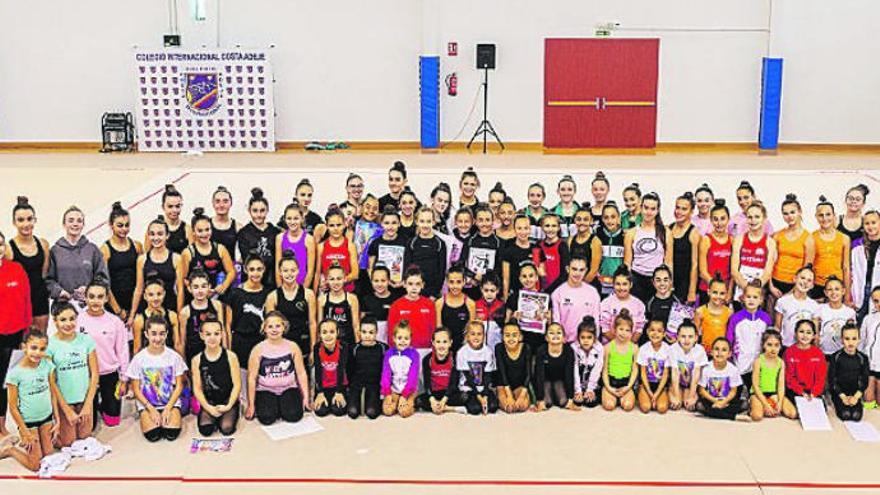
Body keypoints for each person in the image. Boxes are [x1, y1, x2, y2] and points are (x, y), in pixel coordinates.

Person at [1, 328, 59, 471]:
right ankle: (11, 451)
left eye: (42, 349)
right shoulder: (14, 374)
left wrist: (56, 420)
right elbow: (13, 406)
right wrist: (25, 431)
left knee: (49, 455)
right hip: (28, 423)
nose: (38, 353)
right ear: (23, 347)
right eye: (34, 348)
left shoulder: (47, 366)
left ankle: (36, 440)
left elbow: (53, 393)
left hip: (46, 418)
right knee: (35, 465)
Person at [127, 315, 187, 442]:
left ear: (166, 334)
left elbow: (179, 386)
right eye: (153, 334)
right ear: (146, 334)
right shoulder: (139, 359)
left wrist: (168, 408)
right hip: (148, 404)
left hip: (169, 402)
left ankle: (169, 412)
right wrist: (151, 409)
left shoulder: (174, 357)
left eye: (162, 334)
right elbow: (136, 389)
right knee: (153, 435)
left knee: (171, 434)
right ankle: (146, 414)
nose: (158, 338)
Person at [77, 281, 129, 427]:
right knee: (89, 426)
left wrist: (124, 379)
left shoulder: (115, 322)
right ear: (85, 298)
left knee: (113, 421)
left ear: (106, 299)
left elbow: (123, 351)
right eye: (91, 297)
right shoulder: (77, 320)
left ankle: (103, 404)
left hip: (109, 373)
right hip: (86, 375)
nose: (95, 301)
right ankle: (94, 403)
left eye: (100, 297)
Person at [47, 302, 98, 447]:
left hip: (84, 398)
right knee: (68, 443)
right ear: (55, 321)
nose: (69, 323)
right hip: (64, 400)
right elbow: (52, 382)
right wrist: (66, 410)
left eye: (72, 319)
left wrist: (88, 404)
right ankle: (48, 429)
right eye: (63, 320)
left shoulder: (86, 340)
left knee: (85, 438)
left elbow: (94, 374)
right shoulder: (50, 346)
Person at [246, 312, 310, 425]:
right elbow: (252, 378)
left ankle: (282, 404)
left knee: (294, 416)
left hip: (288, 387)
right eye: (270, 326)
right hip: (266, 389)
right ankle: (274, 404)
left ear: (284, 327)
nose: (274, 330)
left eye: (278, 326)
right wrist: (251, 405)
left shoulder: (293, 347)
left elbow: (301, 373)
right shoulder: (257, 349)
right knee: (267, 418)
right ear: (264, 329)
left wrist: (306, 397)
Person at [0, 231, 32, 439]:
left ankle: (5, 426)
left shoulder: (16, 269)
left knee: (8, 382)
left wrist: (26, 333)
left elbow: (26, 301)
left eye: (1, 244)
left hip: (15, 336)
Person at [46, 206, 109, 306]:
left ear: (83, 225)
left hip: (90, 308)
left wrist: (90, 290)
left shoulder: (92, 250)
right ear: (64, 224)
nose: (75, 224)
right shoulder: (54, 251)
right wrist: (59, 292)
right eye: (71, 220)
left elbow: (103, 279)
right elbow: (47, 280)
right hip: (63, 310)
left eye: (79, 221)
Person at [178, 208, 236, 313]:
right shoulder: (188, 253)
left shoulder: (220, 249)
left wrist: (223, 286)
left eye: (207, 229)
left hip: (216, 295)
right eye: (200, 231)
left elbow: (231, 272)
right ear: (194, 232)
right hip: (196, 298)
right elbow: (183, 279)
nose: (204, 234)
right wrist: (199, 290)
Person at [192, 314, 241, 436]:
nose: (212, 338)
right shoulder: (196, 360)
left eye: (216, 333)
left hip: (227, 400)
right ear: (202, 335)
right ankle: (212, 414)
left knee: (226, 428)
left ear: (222, 335)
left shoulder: (231, 356)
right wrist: (208, 408)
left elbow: (237, 384)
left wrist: (229, 405)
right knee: (206, 430)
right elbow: (197, 388)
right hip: (210, 401)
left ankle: (235, 409)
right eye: (208, 334)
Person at [6, 197, 50, 330]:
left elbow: (44, 274)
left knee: (40, 341)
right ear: (14, 222)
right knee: (21, 345)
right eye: (20, 220)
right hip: (19, 303)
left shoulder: (43, 244)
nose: (26, 224)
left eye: (29, 219)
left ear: (35, 220)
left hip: (40, 300)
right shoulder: (8, 249)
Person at [264, 250, 317, 362]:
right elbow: (269, 327)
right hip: (281, 348)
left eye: (293, 270)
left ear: (298, 271)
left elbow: (312, 323)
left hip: (304, 346)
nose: (289, 274)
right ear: (280, 272)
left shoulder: (308, 294)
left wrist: (313, 349)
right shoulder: (272, 297)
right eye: (285, 271)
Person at [624, 192, 673, 303]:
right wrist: (627, 284)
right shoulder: (631, 233)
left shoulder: (666, 232)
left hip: (657, 281)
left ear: (657, 210)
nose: (649, 212)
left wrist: (669, 286)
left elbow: (669, 262)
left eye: (652, 209)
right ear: (640, 208)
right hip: (637, 279)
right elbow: (627, 263)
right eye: (646, 208)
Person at [727, 281, 773, 397]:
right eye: (748, 297)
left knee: (756, 387)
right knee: (738, 390)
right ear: (742, 298)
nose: (751, 300)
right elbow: (729, 337)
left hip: (758, 360)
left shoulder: (766, 319)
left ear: (761, 300)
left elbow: (769, 339)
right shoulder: (736, 318)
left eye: (755, 297)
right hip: (741, 360)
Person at [132, 215, 182, 318]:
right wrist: (132, 314)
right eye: (152, 234)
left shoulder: (176, 258)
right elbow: (139, 288)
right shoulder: (142, 259)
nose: (156, 238)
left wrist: (179, 313)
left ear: (167, 235)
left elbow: (180, 289)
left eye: (160, 234)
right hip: (147, 309)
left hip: (169, 306)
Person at [226, 256, 272, 361]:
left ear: (264, 269)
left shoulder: (269, 294)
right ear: (245, 270)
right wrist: (228, 349)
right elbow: (228, 325)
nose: (255, 273)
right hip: (240, 344)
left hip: (262, 343)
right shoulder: (235, 294)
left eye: (259, 269)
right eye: (252, 269)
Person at [770, 194, 814, 301]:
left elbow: (807, 269)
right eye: (785, 213)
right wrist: (771, 286)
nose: (789, 216)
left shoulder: (808, 238)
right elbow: (769, 263)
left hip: (795, 286)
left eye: (792, 212)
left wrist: (793, 291)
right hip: (775, 284)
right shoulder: (777, 236)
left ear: (800, 212)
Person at [730, 201, 776, 303]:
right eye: (750, 217)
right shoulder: (739, 239)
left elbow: (767, 272)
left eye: (757, 217)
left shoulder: (770, 242)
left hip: (759, 291)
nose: (753, 220)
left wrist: (755, 290)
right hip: (741, 290)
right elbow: (734, 270)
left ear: (764, 218)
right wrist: (746, 288)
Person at [237, 187, 281, 289]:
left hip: (271, 282)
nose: (259, 215)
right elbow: (247, 259)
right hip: (251, 282)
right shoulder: (243, 233)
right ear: (249, 210)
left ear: (267, 210)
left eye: (262, 211)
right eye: (255, 211)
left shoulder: (275, 232)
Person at [551, 255, 601, 343]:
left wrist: (594, 340)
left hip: (586, 344)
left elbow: (596, 320)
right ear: (567, 269)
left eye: (581, 270)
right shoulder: (557, 293)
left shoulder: (593, 292)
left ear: (586, 270)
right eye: (574, 269)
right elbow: (556, 321)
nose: (577, 273)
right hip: (565, 343)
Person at [749, 329, 797, 421]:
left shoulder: (781, 363)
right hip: (758, 394)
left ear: (780, 346)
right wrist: (765, 404)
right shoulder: (758, 361)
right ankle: (752, 405)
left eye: (776, 345)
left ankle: (771, 405)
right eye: (769, 345)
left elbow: (781, 385)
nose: (773, 349)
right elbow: (755, 385)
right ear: (763, 345)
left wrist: (779, 402)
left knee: (792, 414)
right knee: (757, 416)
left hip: (773, 394)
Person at [179, 269, 225, 364]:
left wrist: (225, 353)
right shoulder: (185, 312)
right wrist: (183, 363)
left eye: (203, 286)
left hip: (214, 352)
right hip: (193, 353)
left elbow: (223, 331)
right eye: (196, 287)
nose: (200, 291)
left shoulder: (217, 305)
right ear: (189, 289)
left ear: (209, 287)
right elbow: (182, 341)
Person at [347, 317, 387, 419]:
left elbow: (386, 370)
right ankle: (356, 399)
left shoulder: (383, 348)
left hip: (374, 385)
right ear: (359, 332)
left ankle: (370, 400)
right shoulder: (354, 349)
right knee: (353, 412)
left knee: (371, 412)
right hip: (357, 384)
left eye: (371, 332)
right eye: (364, 332)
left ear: (376, 332)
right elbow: (349, 369)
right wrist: (351, 387)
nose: (367, 336)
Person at [454, 321, 498, 415]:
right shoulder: (462, 352)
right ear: (467, 336)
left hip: (483, 387)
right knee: (475, 409)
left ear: (484, 336)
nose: (476, 337)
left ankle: (483, 399)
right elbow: (468, 377)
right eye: (473, 334)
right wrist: (479, 397)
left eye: (479, 334)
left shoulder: (488, 352)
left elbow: (487, 376)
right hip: (469, 388)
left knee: (493, 407)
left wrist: (485, 395)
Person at [460, 204, 503, 301]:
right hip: (471, 287)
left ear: (493, 221)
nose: (484, 223)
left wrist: (485, 278)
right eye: (481, 220)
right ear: (475, 221)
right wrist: (473, 276)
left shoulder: (498, 242)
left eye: (487, 220)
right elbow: (461, 264)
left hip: (490, 289)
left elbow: (499, 268)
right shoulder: (469, 241)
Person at [812, 196, 851, 301]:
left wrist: (847, 295)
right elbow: (808, 265)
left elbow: (846, 267)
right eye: (821, 215)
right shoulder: (811, 238)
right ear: (816, 217)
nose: (825, 218)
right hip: (817, 286)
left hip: (837, 287)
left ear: (834, 215)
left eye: (828, 214)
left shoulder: (844, 239)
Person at [828, 323, 870, 421]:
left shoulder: (863, 358)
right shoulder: (836, 357)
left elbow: (865, 380)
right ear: (842, 340)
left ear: (859, 339)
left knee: (856, 416)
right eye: (847, 339)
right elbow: (832, 380)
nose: (850, 342)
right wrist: (842, 396)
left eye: (854, 339)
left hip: (855, 393)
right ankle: (835, 401)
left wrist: (856, 397)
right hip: (839, 393)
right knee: (845, 415)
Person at [783, 319, 827, 412]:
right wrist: (801, 392)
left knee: (818, 412)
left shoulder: (818, 353)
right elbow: (789, 377)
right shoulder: (789, 352)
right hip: (796, 390)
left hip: (813, 391)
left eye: (808, 332)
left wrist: (814, 393)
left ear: (814, 335)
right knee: (796, 412)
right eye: (801, 331)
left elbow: (821, 377)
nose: (805, 335)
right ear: (795, 333)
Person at [387, 266, 435, 351]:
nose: (414, 287)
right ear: (404, 284)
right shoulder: (396, 305)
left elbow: (434, 329)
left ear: (423, 285)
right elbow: (391, 332)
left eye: (417, 284)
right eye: (410, 283)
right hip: (404, 350)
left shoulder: (429, 304)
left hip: (426, 350)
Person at [404, 207, 447, 298]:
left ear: (434, 222)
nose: (425, 225)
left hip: (433, 293)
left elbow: (441, 271)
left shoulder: (440, 243)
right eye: (422, 221)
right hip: (414, 291)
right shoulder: (411, 243)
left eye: (428, 221)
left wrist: (434, 294)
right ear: (417, 222)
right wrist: (412, 290)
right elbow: (407, 268)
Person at [381, 321, 420, 418]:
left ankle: (411, 403)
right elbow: (386, 375)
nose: (403, 341)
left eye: (406, 338)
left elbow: (413, 378)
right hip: (394, 389)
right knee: (387, 411)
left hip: (409, 390)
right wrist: (387, 393)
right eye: (399, 338)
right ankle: (397, 401)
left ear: (410, 339)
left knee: (404, 412)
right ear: (394, 338)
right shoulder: (389, 354)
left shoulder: (414, 354)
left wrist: (405, 395)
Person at [773, 265, 819, 348]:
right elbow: (777, 327)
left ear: (812, 285)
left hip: (805, 348)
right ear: (795, 279)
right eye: (802, 278)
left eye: (809, 280)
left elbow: (815, 333)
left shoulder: (814, 305)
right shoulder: (782, 301)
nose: (805, 282)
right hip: (786, 346)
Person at [416, 328, 460, 414]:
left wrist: (444, 400)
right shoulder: (427, 359)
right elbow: (427, 384)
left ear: (450, 343)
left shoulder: (454, 358)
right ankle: (448, 408)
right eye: (438, 342)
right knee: (418, 401)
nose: (441, 345)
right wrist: (432, 400)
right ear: (433, 343)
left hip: (449, 394)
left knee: (464, 397)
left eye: (445, 342)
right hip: (434, 393)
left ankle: (442, 406)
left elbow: (454, 383)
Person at [601, 310, 639, 412]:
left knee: (628, 406)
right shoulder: (608, 347)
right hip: (611, 382)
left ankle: (623, 397)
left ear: (632, 332)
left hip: (626, 383)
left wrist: (628, 387)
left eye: (627, 330)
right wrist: (609, 387)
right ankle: (610, 395)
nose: (624, 333)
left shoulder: (634, 348)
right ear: (614, 329)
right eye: (621, 329)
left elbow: (635, 369)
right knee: (609, 406)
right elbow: (604, 370)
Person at [534, 322, 576, 411]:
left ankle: (555, 392)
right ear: (546, 338)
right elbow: (539, 375)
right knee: (547, 403)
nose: (555, 335)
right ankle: (549, 392)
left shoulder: (569, 351)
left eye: (559, 333)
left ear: (564, 338)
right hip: (546, 379)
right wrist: (540, 399)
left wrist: (571, 398)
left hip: (560, 380)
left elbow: (569, 374)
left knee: (563, 402)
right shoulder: (541, 351)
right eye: (551, 333)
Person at [315, 207, 358, 293]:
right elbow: (317, 273)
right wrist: (315, 296)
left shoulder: (350, 246)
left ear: (345, 224)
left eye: (339, 225)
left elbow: (355, 274)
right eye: (331, 225)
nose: (335, 229)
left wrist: (335, 282)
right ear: (326, 226)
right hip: (327, 293)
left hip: (347, 292)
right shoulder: (321, 246)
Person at [697, 337, 741, 421]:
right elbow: (702, 390)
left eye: (724, 350)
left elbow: (733, 391)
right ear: (711, 352)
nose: (719, 352)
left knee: (744, 405)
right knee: (699, 406)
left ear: (729, 354)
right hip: (711, 399)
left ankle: (714, 412)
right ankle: (732, 416)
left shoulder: (733, 369)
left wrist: (723, 402)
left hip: (727, 400)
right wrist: (715, 401)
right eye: (716, 349)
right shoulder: (706, 368)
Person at [698, 199, 733, 305]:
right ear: (711, 220)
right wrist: (715, 288)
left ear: (728, 219)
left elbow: (734, 271)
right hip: (707, 289)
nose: (719, 223)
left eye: (722, 219)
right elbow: (703, 271)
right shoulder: (706, 240)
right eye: (715, 219)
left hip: (725, 291)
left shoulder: (732, 240)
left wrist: (729, 291)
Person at [132, 277, 179, 354]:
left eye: (159, 294)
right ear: (145, 296)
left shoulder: (172, 316)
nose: (155, 298)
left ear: (164, 294)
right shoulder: (139, 319)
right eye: (151, 295)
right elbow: (137, 348)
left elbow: (177, 344)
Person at [599, 266, 646, 343]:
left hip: (630, 347)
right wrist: (619, 344)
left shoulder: (639, 304)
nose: (621, 288)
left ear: (630, 285)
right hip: (610, 346)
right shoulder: (606, 303)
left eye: (625, 284)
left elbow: (639, 329)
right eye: (618, 284)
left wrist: (628, 345)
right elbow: (605, 329)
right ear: (613, 284)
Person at [311, 320, 348, 417]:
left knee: (338, 410)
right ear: (319, 334)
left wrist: (339, 392)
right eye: (324, 332)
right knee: (321, 411)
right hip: (324, 385)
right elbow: (318, 370)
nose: (328, 336)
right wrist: (320, 392)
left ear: (337, 333)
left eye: (332, 332)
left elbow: (341, 369)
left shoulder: (343, 347)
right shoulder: (317, 348)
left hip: (339, 385)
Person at [275, 199, 315, 289]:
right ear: (284, 219)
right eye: (289, 218)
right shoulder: (280, 238)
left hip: (302, 286)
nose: (292, 222)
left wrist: (303, 291)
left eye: (296, 218)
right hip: (284, 287)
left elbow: (310, 270)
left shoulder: (309, 239)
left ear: (302, 218)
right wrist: (280, 291)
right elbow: (277, 268)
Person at [668, 320, 707, 411]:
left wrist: (691, 395)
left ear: (696, 338)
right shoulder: (673, 349)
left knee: (689, 405)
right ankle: (677, 392)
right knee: (676, 403)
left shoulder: (700, 350)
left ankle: (686, 392)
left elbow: (696, 374)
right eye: (683, 336)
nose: (686, 340)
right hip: (678, 383)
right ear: (677, 337)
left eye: (690, 337)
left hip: (691, 384)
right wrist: (676, 395)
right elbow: (675, 373)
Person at [670, 192, 700, 304]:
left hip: (686, 282)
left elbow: (695, 264)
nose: (679, 212)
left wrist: (691, 291)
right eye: (677, 208)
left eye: (684, 209)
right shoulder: (669, 228)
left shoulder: (693, 232)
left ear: (691, 211)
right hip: (671, 281)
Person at [495, 322, 532, 414]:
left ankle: (515, 395)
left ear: (520, 337)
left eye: (514, 335)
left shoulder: (526, 348)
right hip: (503, 385)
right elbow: (502, 371)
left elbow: (528, 373)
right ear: (502, 337)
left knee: (522, 406)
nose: (511, 338)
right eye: (507, 335)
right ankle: (499, 396)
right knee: (510, 408)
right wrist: (508, 395)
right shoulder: (499, 348)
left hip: (519, 385)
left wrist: (522, 395)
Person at [436, 265, 475, 352]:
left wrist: (465, 348)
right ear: (447, 282)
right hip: (445, 348)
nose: (455, 286)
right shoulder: (439, 303)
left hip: (464, 347)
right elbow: (439, 329)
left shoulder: (470, 303)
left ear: (464, 282)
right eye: (452, 282)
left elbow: (471, 329)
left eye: (458, 282)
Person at [814, 276, 856, 356]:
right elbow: (815, 334)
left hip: (842, 354)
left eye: (837, 289)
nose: (833, 292)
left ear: (843, 291)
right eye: (830, 289)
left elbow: (851, 334)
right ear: (825, 292)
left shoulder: (850, 312)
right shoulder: (820, 309)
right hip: (824, 353)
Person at [637, 318, 671, 414]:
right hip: (646, 384)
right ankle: (642, 392)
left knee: (662, 408)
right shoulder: (643, 349)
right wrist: (649, 392)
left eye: (659, 331)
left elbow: (665, 374)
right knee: (646, 408)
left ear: (664, 334)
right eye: (652, 330)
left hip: (660, 385)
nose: (655, 333)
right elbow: (643, 373)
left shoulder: (668, 349)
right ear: (647, 332)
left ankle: (660, 395)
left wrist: (656, 394)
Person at [367, 206, 407, 290]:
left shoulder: (405, 242)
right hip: (381, 288)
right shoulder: (375, 243)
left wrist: (404, 282)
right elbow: (370, 268)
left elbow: (410, 265)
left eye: (394, 223)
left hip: (401, 286)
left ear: (399, 224)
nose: (390, 227)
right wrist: (377, 283)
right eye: (387, 223)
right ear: (381, 224)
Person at [851, 210, 880, 321]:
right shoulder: (857, 246)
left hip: (878, 292)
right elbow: (852, 271)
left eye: (874, 222)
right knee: (860, 325)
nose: (870, 226)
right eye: (867, 223)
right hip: (861, 291)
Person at [694, 274, 733, 353]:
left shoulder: (729, 313)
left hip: (721, 353)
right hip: (704, 353)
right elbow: (695, 335)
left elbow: (730, 335)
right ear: (708, 292)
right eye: (715, 292)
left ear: (726, 294)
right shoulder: (700, 311)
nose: (718, 296)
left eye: (722, 293)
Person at [566, 206, 602, 291]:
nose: (582, 222)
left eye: (585, 219)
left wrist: (580, 287)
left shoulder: (595, 241)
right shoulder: (571, 239)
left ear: (591, 221)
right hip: (573, 284)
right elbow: (568, 264)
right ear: (574, 221)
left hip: (590, 285)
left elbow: (593, 270)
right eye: (579, 219)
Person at [502, 215, 538, 298]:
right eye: (519, 228)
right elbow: (506, 279)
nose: (523, 232)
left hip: (532, 294)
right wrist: (505, 297)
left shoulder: (536, 249)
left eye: (526, 228)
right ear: (514, 230)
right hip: (515, 294)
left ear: (530, 229)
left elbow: (538, 274)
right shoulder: (509, 251)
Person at [572, 316, 603, 408]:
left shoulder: (599, 348)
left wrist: (590, 389)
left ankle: (591, 392)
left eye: (589, 337)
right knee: (578, 402)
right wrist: (578, 391)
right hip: (578, 383)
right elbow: (575, 370)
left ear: (595, 338)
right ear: (578, 337)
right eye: (583, 337)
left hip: (593, 384)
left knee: (590, 403)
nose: (586, 340)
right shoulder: (574, 348)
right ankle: (580, 392)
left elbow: (597, 370)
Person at [595, 202, 625, 297]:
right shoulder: (597, 234)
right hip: (601, 281)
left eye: (613, 217)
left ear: (619, 218)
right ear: (602, 219)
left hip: (620, 283)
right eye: (606, 217)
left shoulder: (625, 236)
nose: (609, 220)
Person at [535, 213, 569, 289]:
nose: (550, 229)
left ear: (558, 228)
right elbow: (536, 267)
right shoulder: (538, 245)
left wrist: (550, 289)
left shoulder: (562, 245)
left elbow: (565, 273)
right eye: (547, 226)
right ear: (542, 227)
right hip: (542, 288)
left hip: (558, 288)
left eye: (554, 226)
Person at [859, 286, 880, 410]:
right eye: (876, 301)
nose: (879, 304)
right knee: (869, 404)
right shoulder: (868, 319)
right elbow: (862, 341)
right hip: (870, 366)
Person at [157, 184, 192, 254]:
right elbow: (147, 256)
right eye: (170, 206)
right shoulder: (155, 228)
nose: (174, 210)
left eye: (177, 206)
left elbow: (192, 256)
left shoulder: (187, 229)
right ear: (163, 207)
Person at [474, 274, 506, 350]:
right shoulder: (475, 305)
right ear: (481, 289)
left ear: (497, 290)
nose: (489, 294)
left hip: (496, 348)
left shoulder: (502, 306)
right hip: (479, 349)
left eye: (492, 290)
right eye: (486, 290)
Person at [210, 186, 238, 260]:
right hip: (208, 269)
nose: (221, 205)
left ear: (231, 203)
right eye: (217, 201)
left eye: (225, 201)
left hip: (230, 269)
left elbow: (245, 252)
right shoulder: (205, 224)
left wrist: (237, 266)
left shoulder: (237, 227)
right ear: (213, 203)